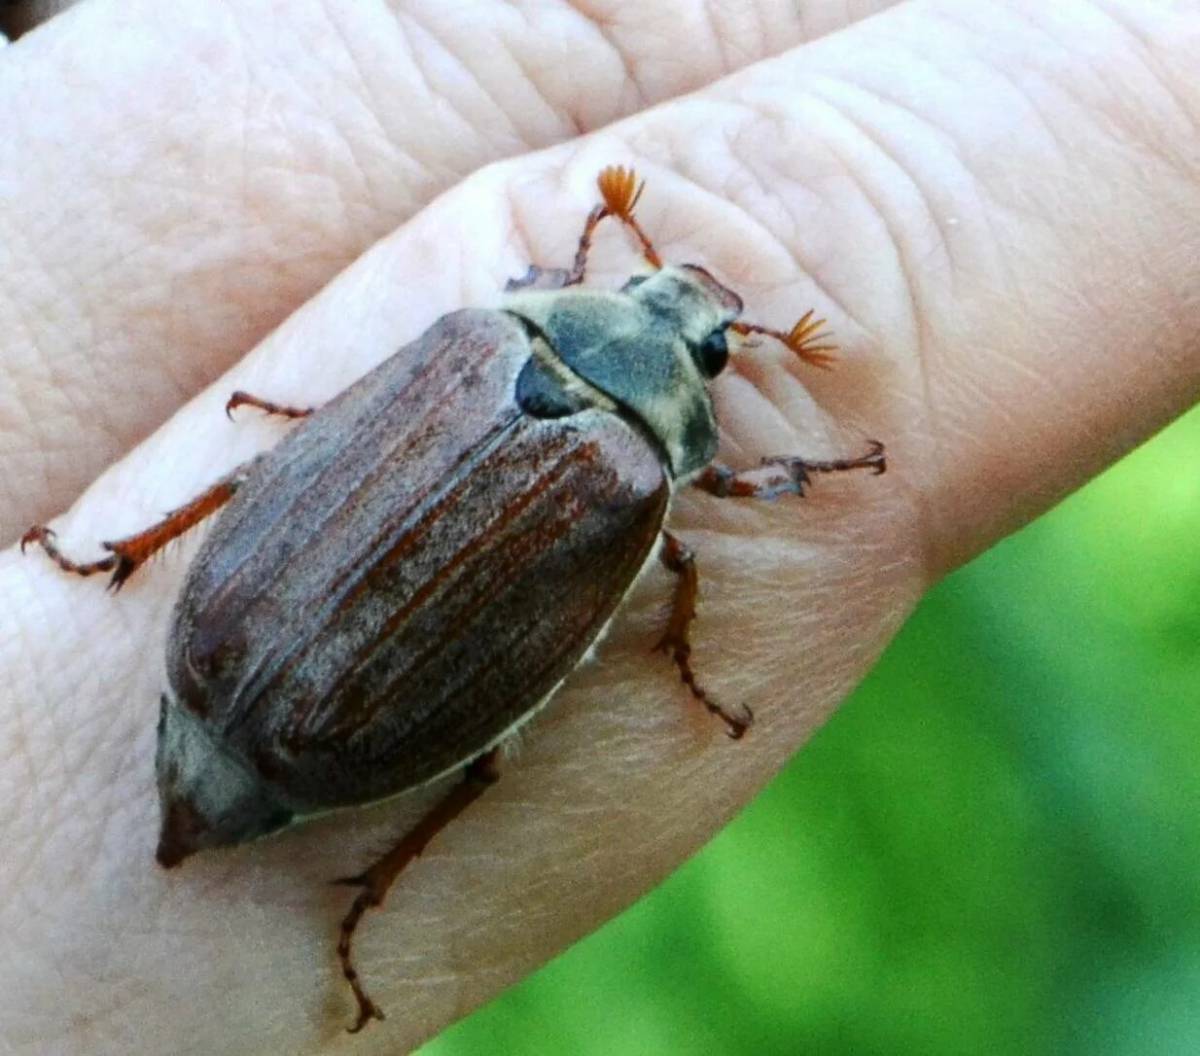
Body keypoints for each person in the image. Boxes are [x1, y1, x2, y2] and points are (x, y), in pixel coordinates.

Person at [1, 1, 1197, 1053]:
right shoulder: (633, 480)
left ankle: (117, 564)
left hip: (245, 654)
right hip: (325, 718)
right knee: (491, 757)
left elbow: (335, 423)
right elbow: (741, 487)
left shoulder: (494, 352)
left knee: (265, 476)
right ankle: (358, 895)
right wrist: (805, 475)